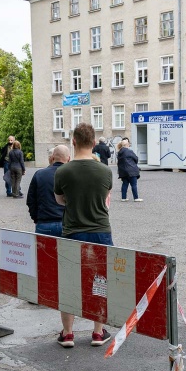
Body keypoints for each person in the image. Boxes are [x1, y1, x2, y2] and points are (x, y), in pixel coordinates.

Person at [53, 123, 113, 348]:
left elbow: (60, 201)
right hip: (100, 231)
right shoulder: (105, 171)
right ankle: (98, 332)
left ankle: (68, 333)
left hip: (72, 231)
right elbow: (106, 199)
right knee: (100, 282)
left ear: (74, 142)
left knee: (69, 282)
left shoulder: (63, 171)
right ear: (94, 143)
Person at [27, 144, 69, 237]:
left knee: (44, 251)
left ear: (53, 157)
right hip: (68, 224)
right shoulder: (72, 175)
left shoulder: (39, 174)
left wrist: (37, 219)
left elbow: (30, 200)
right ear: (69, 159)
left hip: (45, 223)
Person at [116, 138, 142, 202]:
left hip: (123, 170)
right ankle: (136, 198)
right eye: (128, 144)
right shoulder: (129, 151)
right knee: (133, 184)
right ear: (127, 145)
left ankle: (123, 198)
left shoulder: (119, 152)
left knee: (125, 184)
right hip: (131, 170)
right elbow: (136, 158)